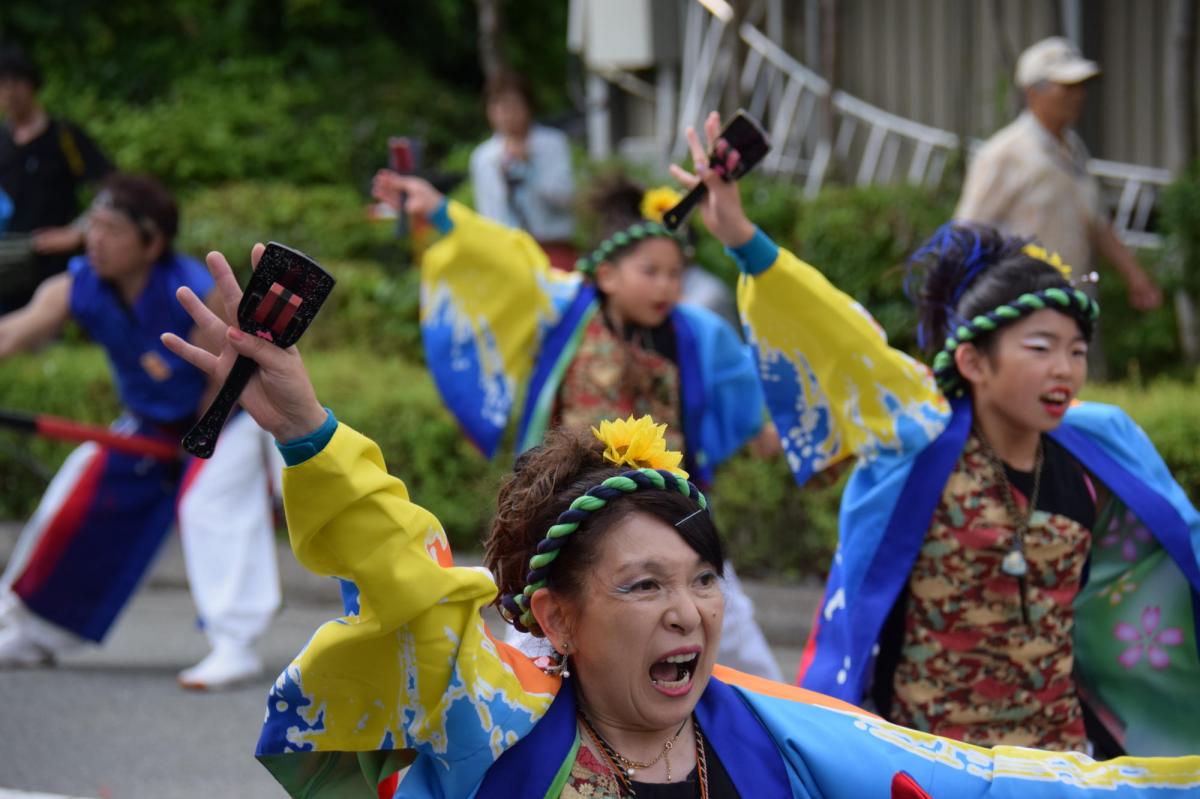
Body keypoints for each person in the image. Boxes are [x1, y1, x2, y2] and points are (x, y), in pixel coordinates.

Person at [159, 255, 1200, 797]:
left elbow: (994, 784)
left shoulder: (771, 737)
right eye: (643, 585)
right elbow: (407, 570)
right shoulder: (495, 721)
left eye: (700, 578)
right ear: (555, 616)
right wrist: (304, 425)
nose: (689, 612)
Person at [670, 111, 1200, 756]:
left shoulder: (1102, 446)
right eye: (1041, 347)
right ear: (974, 362)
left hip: (1059, 761)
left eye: (1076, 351)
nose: (1065, 369)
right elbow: (839, 333)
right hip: (930, 762)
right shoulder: (918, 435)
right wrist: (746, 240)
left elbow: (1181, 541)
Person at [372, 169, 782, 680]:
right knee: (542, 606)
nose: (666, 285)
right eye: (650, 271)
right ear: (606, 275)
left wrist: (762, 427)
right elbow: (507, 258)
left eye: (675, 274)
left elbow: (738, 377)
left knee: (723, 608)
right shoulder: (565, 307)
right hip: (573, 496)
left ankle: (776, 713)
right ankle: (520, 699)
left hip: (665, 498)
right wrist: (440, 212)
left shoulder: (695, 332)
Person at [0, 173, 282, 690]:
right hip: (148, 425)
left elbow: (222, 380)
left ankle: (234, 644)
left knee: (208, 508)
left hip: (228, 417)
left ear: (151, 242)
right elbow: (13, 331)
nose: (96, 240)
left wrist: (193, 444)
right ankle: (32, 629)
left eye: (112, 229)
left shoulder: (192, 292)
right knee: (72, 498)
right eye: (93, 227)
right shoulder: (75, 286)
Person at [955, 38, 1161, 335]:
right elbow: (966, 232)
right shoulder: (1004, 153)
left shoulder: (1073, 149)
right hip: (1019, 305)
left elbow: (1097, 223)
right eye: (1066, 87)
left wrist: (1135, 276)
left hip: (1069, 300)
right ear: (1032, 92)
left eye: (1080, 87)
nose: (1077, 96)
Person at [0, 45, 113, 312]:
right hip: (6, 264)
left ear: (32, 85)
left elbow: (111, 191)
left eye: (16, 82)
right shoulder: (1, 141)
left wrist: (77, 232)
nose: (9, 92)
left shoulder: (64, 136)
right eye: (2, 84)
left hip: (52, 265)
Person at [469, 70, 577, 270]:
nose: (507, 114)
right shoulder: (483, 157)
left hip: (552, 247)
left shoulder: (552, 144)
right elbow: (487, 213)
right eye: (498, 106)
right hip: (505, 252)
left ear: (528, 106)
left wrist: (529, 165)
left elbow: (564, 198)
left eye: (513, 105)